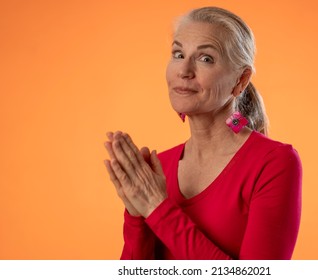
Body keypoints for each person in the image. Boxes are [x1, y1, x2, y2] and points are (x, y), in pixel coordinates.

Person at [103, 6, 302, 260]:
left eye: (205, 58)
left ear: (241, 80)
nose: (184, 70)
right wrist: (136, 216)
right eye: (178, 54)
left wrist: (156, 207)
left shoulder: (274, 163)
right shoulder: (156, 169)